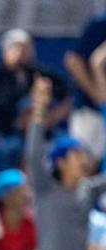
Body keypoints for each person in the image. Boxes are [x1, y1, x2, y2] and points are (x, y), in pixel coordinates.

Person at [26, 77, 106, 250]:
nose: (84, 160)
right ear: (61, 162)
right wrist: (40, 108)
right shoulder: (45, 188)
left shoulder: (88, 190)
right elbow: (33, 155)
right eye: (77, 155)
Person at [0, 29, 68, 170]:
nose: (24, 52)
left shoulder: (43, 74)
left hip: (44, 133)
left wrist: (52, 117)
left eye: (27, 48)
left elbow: (67, 97)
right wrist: (18, 120)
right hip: (8, 135)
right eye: (18, 47)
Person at [65, 11, 106, 162]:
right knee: (81, 166)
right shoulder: (101, 22)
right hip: (90, 114)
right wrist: (97, 96)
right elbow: (73, 61)